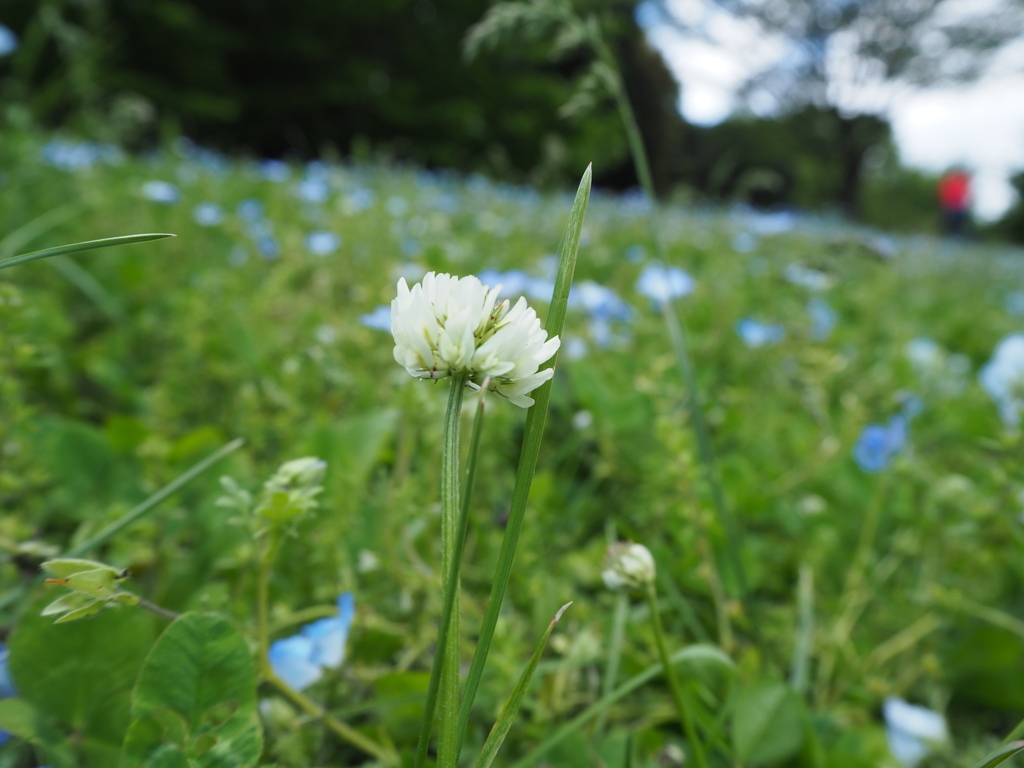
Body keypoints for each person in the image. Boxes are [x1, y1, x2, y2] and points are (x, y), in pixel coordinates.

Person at [937, 167, 972, 237]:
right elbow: (943, 194)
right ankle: (948, 238)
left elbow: (965, 195)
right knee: (949, 224)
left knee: (958, 225)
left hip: (959, 208)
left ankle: (956, 238)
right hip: (950, 207)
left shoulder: (962, 183)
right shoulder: (948, 183)